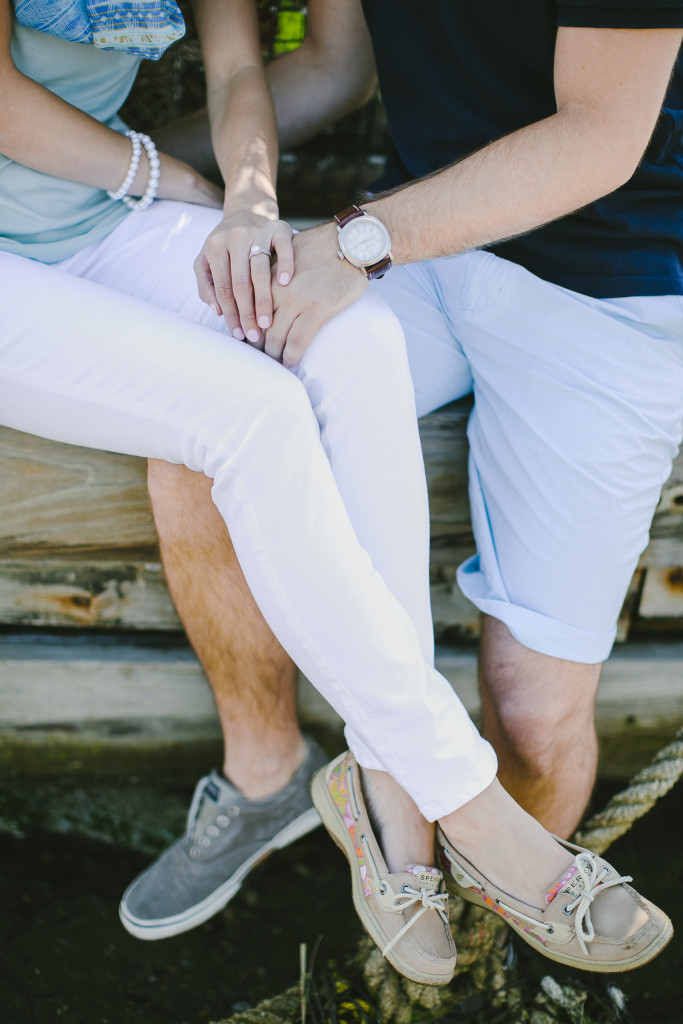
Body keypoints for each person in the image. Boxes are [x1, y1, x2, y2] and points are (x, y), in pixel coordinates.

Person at [0, 0, 673, 984]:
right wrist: (169, 178)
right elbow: (326, 63)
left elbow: (598, 138)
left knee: (530, 710)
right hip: (424, 237)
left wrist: (232, 196)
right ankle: (418, 795)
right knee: (240, 411)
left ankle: (430, 858)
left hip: (606, 283)